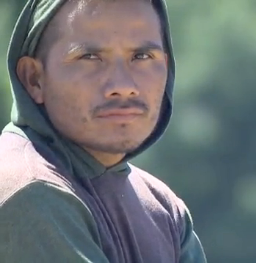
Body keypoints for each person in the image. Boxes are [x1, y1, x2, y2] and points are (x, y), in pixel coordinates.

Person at [0, 0, 207, 262]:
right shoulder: (30, 192)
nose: (123, 85)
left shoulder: (163, 208)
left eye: (141, 56)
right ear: (34, 78)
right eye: (90, 57)